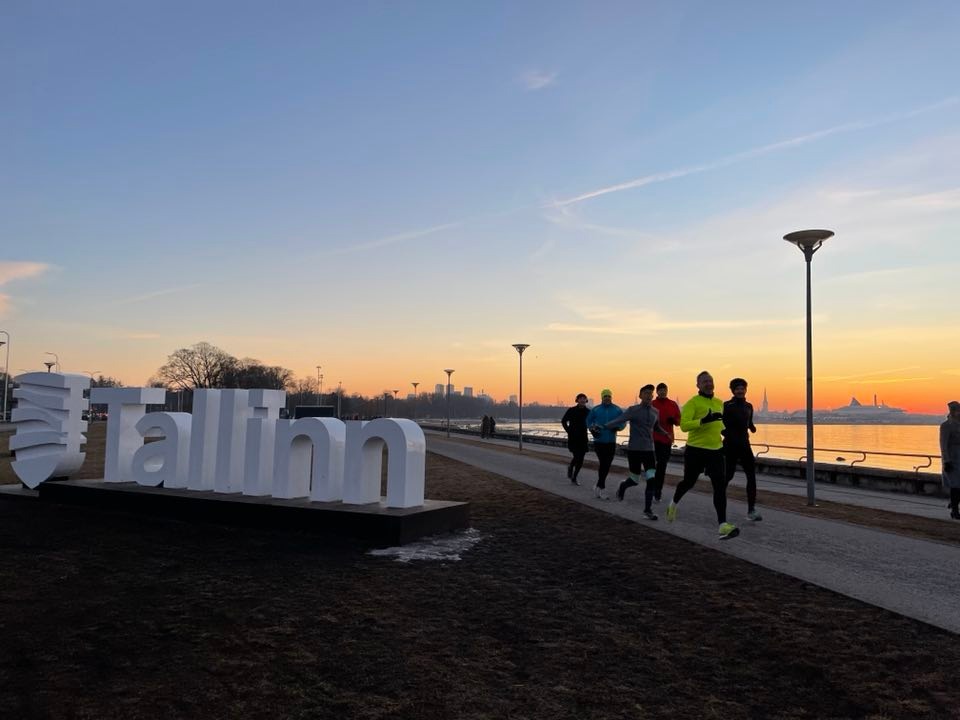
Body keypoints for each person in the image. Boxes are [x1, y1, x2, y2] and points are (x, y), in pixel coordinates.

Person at [665, 371, 739, 540]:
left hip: (716, 451)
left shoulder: (719, 403)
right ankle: (673, 503)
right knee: (688, 482)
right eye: (705, 381)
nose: (708, 383)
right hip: (695, 450)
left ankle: (722, 525)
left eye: (710, 381)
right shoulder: (692, 403)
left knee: (719, 486)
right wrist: (703, 421)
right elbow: (684, 426)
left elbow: (720, 425)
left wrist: (730, 434)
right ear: (698, 385)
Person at [606, 384, 667, 520]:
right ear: (640, 396)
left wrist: (666, 434)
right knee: (635, 480)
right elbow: (618, 420)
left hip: (649, 450)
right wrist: (604, 426)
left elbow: (656, 427)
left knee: (651, 479)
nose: (649, 395)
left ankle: (647, 510)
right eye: (646, 393)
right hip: (634, 450)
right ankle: (623, 486)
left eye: (650, 393)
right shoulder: (633, 410)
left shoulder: (655, 411)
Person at [723, 378, 761, 521]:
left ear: (745, 390)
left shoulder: (749, 406)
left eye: (742, 388)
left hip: (745, 445)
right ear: (733, 391)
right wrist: (727, 434)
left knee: (751, 476)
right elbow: (720, 424)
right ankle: (720, 501)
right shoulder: (727, 405)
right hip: (730, 446)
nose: (740, 391)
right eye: (737, 389)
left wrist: (752, 427)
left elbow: (749, 422)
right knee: (728, 476)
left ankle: (751, 510)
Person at [586, 389, 624, 500]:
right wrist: (592, 429)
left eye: (608, 396)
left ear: (611, 397)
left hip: (611, 441)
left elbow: (623, 421)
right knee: (604, 464)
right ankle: (601, 488)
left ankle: (598, 485)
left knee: (606, 465)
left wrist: (618, 427)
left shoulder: (617, 409)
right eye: (605, 396)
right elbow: (588, 421)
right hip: (599, 441)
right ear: (602, 398)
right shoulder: (596, 409)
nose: (607, 398)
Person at [652, 382, 681, 503]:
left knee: (662, 466)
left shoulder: (673, 404)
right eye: (660, 390)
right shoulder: (652, 404)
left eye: (664, 390)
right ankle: (653, 488)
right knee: (654, 466)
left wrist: (674, 420)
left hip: (667, 439)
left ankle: (657, 490)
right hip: (653, 438)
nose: (663, 392)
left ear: (667, 391)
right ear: (657, 392)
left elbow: (679, 421)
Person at [561, 394, 590, 485]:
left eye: (584, 399)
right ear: (577, 400)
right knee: (577, 456)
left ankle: (574, 477)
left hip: (583, 438)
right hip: (573, 438)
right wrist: (568, 431)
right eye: (580, 398)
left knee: (581, 459)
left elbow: (592, 423)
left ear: (586, 400)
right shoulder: (571, 410)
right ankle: (571, 467)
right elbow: (563, 421)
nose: (582, 400)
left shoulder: (588, 412)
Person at [940, 400, 960, 520]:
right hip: (952, 459)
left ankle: (953, 503)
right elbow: (943, 444)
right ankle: (955, 510)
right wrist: (946, 461)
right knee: (955, 485)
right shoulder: (946, 426)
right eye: (957, 411)